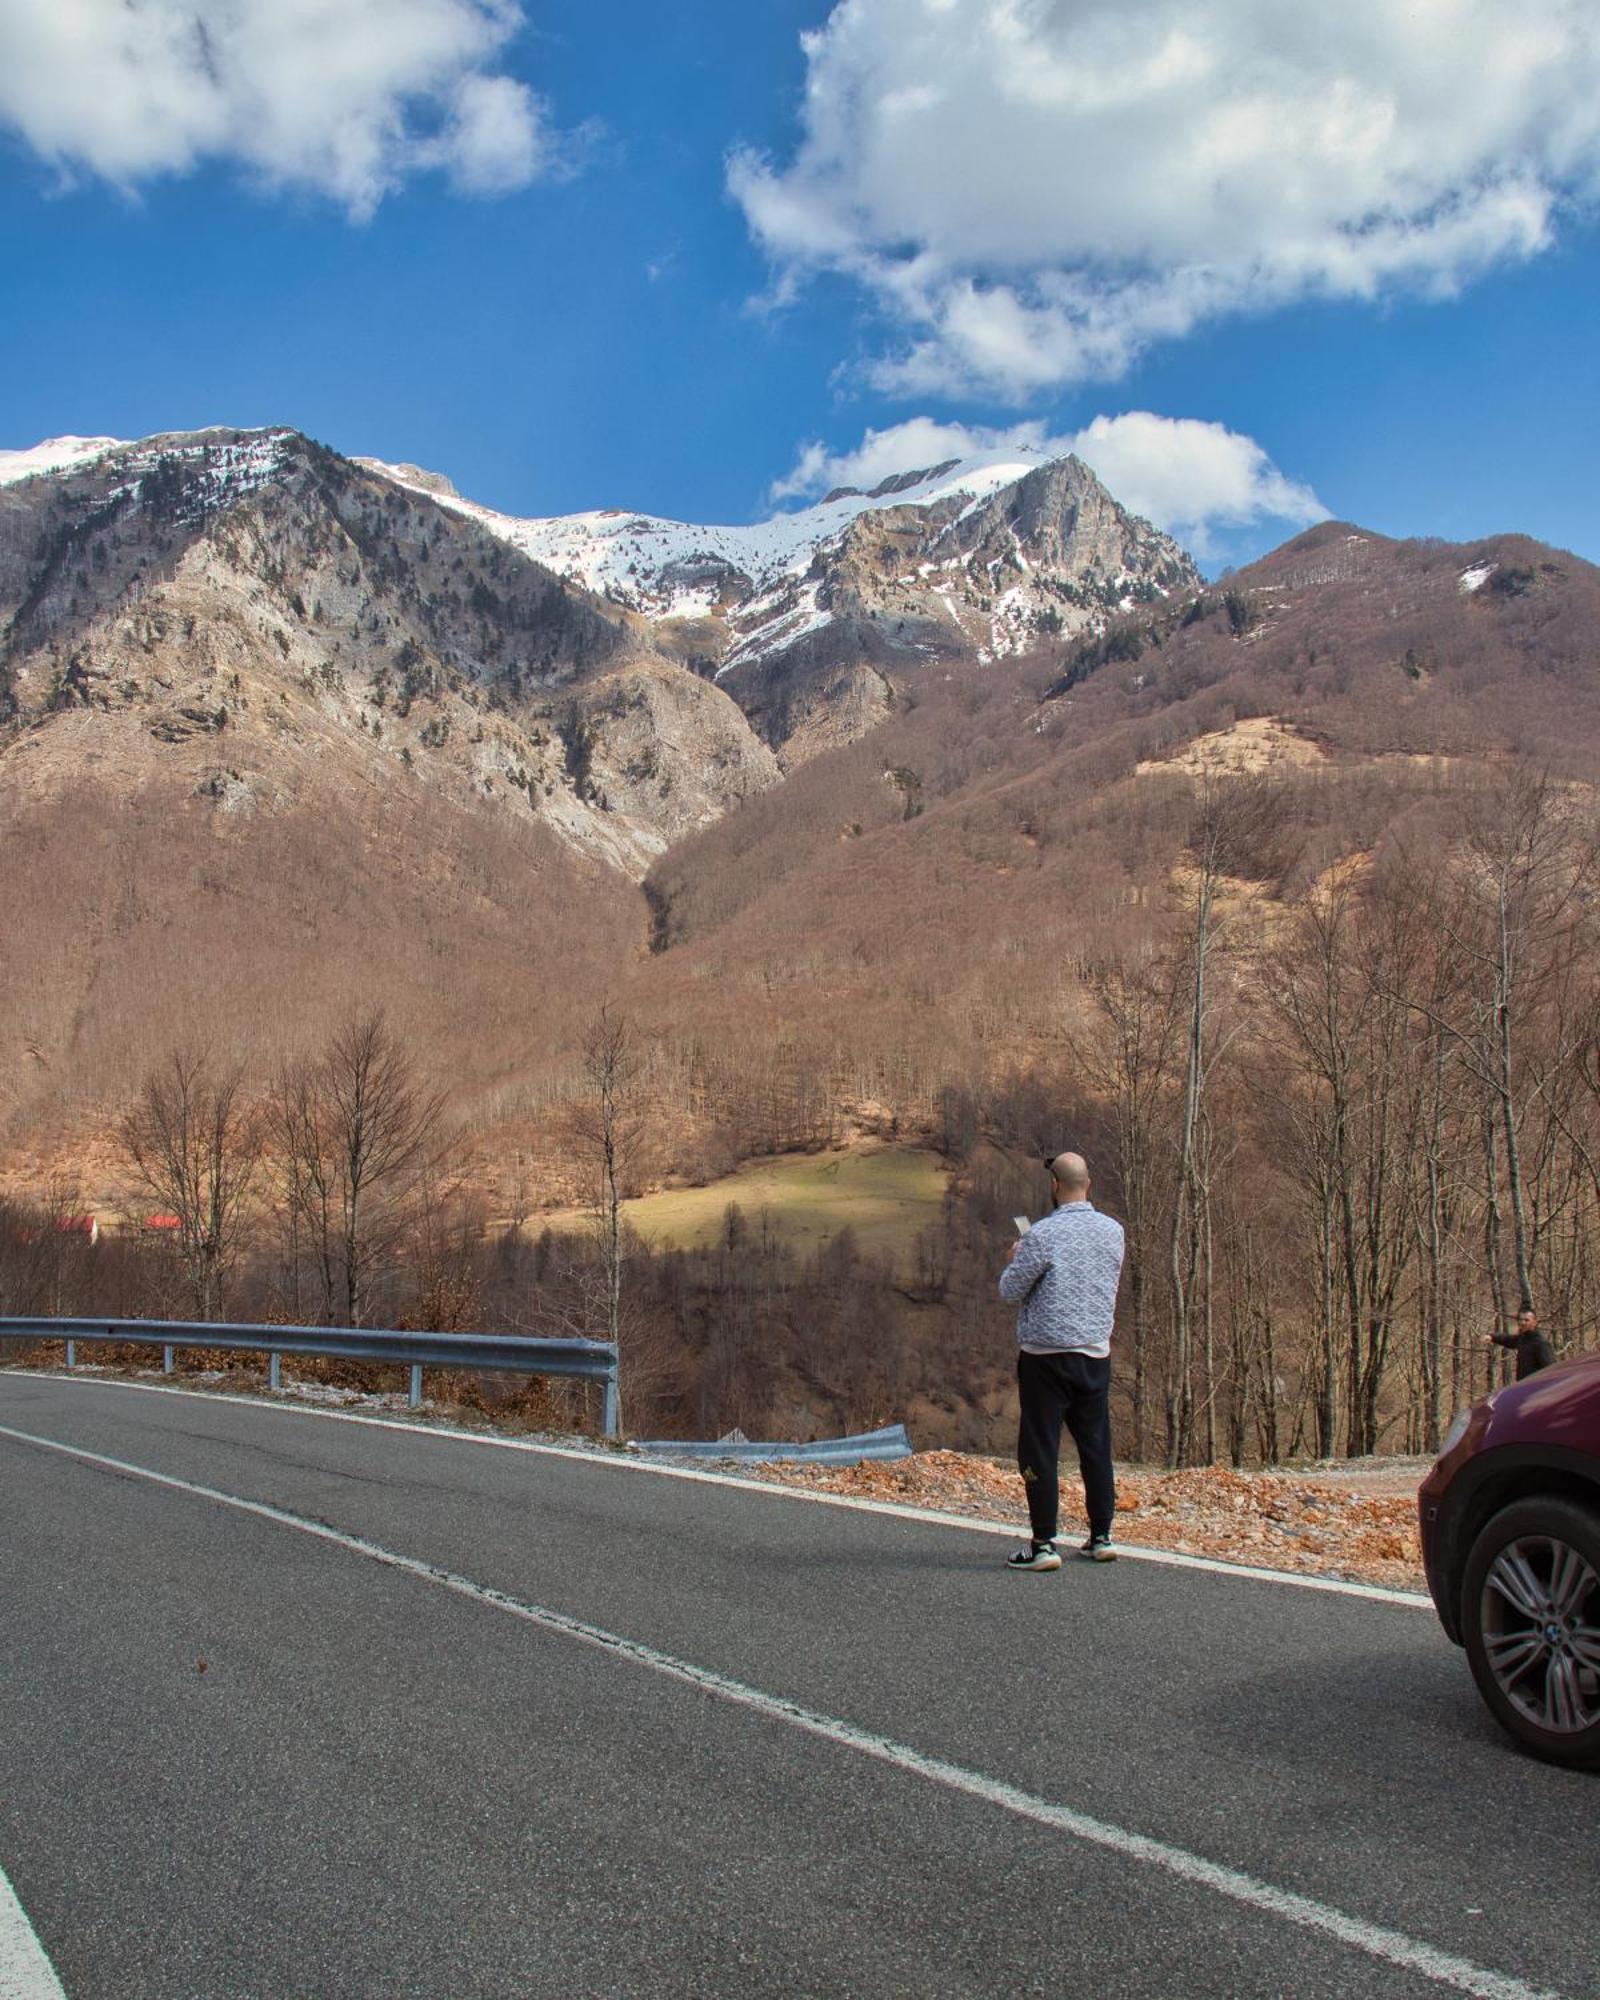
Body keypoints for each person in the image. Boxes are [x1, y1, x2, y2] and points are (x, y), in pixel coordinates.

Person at [998, 1150, 1125, 1571]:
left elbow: (1010, 1290)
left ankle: (1043, 1543)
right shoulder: (1114, 1232)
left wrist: (1018, 1256)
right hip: (1094, 1352)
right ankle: (1101, 1535)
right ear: (1088, 1183)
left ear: (1054, 1186)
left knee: (1040, 1448)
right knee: (1095, 1446)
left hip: (1045, 1358)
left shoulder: (1043, 1236)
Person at [1488, 1306, 1556, 1382]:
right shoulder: (1523, 1339)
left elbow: (1551, 1370)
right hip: (1523, 1387)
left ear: (1534, 1322)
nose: (1522, 1323)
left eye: (1526, 1320)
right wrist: (1492, 1337)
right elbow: (1508, 1340)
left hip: (1537, 1388)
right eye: (1520, 1320)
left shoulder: (1541, 1343)